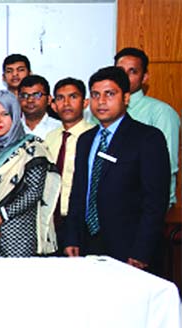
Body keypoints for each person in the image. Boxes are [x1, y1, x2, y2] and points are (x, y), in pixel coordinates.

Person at [64, 66, 170, 272]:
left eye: (109, 94)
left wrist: (141, 250)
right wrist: (71, 238)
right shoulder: (86, 139)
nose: (101, 101)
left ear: (126, 98)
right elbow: (78, 194)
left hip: (130, 249)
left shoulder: (147, 138)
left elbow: (155, 202)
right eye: (95, 95)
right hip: (87, 244)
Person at [0, 90, 59, 257]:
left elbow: (33, 192)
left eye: (5, 114)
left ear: (15, 116)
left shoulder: (32, 148)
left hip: (19, 232)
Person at [114, 47, 179, 207]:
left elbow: (166, 165)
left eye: (133, 71)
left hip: (146, 204)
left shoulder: (161, 112)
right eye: (120, 71)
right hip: (111, 202)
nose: (125, 77)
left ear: (144, 77)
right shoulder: (102, 111)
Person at [45, 78, 94, 251]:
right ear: (53, 104)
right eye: (60, 98)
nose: (66, 103)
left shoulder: (93, 137)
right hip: (51, 221)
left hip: (83, 222)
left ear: (85, 102)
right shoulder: (49, 138)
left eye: (73, 97)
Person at [18, 75, 62, 139]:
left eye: (36, 95)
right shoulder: (11, 129)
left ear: (49, 99)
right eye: (24, 95)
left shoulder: (59, 128)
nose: (30, 100)